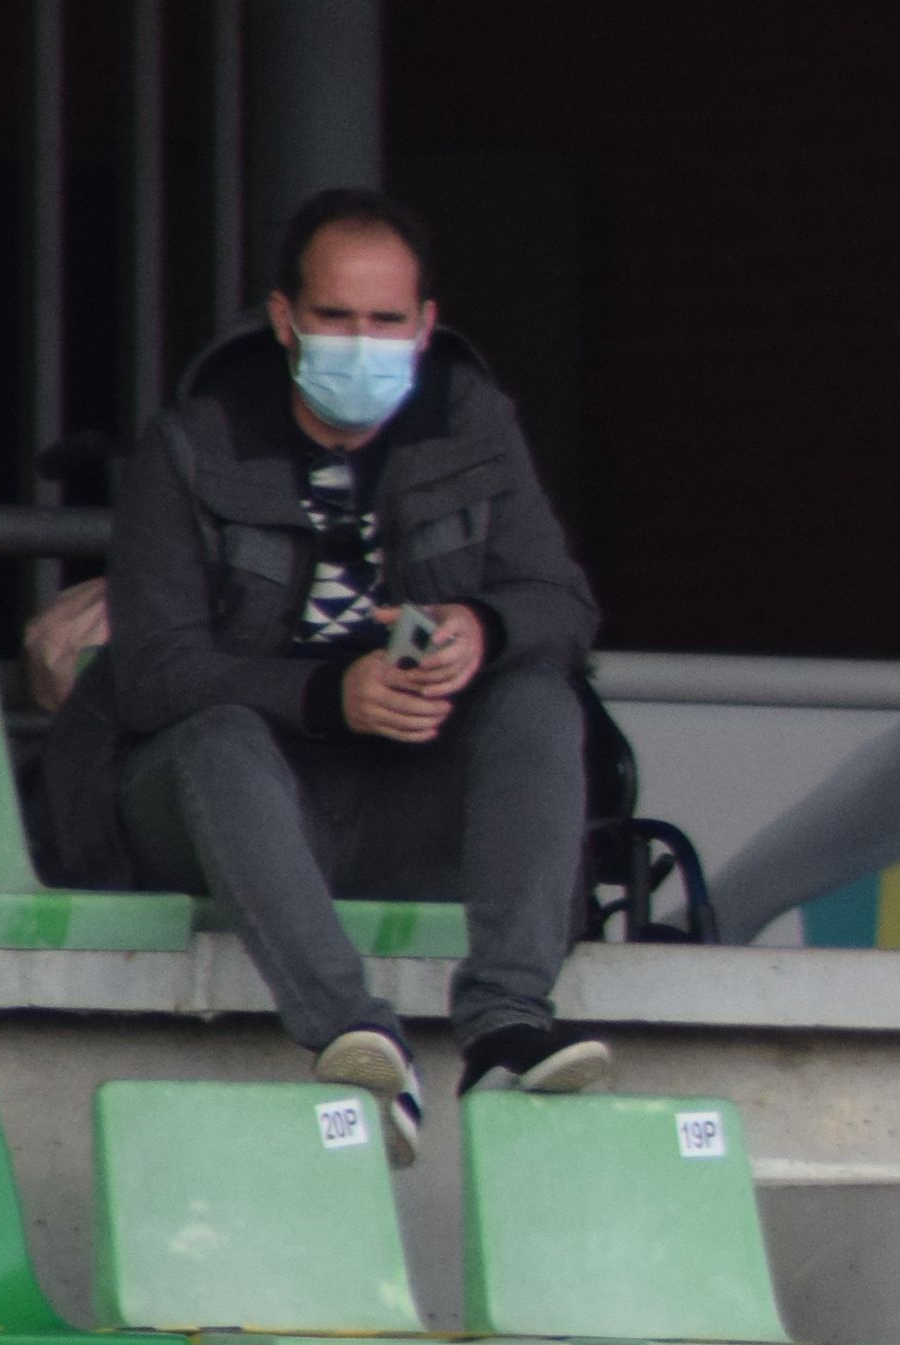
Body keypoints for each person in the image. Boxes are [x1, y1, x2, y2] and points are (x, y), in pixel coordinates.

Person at [69, 188, 608, 1160]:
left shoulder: (473, 429)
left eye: (386, 321)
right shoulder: (195, 442)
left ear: (426, 325)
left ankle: (506, 1024)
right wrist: (326, 694)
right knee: (218, 734)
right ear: (285, 318)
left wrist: (478, 627)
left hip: (400, 793)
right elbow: (150, 673)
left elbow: (563, 607)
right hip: (229, 801)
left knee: (538, 694)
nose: (363, 342)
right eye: (336, 317)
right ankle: (357, 1035)